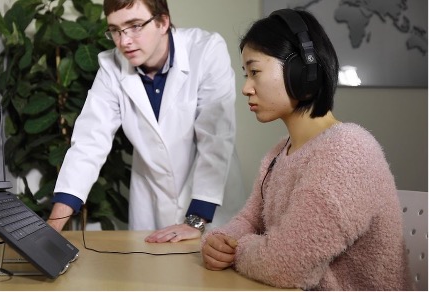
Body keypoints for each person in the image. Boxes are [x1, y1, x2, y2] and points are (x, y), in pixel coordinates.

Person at [200, 8, 412, 290]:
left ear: (303, 72)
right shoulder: (278, 153)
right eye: (245, 74)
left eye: (255, 72)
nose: (246, 88)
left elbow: (285, 266)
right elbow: (248, 221)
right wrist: (217, 242)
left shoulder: (348, 151)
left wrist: (237, 248)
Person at [47, 0, 247, 243]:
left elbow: (215, 137)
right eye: (115, 30)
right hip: (152, 200)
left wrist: (197, 217)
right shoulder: (111, 68)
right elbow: (89, 142)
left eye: (134, 26)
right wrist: (53, 225)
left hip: (211, 202)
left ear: (162, 22)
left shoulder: (205, 50)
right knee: (151, 277)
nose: (124, 41)